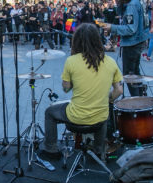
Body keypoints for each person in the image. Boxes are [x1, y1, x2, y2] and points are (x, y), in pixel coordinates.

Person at [39, 23, 123, 159]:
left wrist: (72, 81)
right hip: (99, 119)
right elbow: (119, 90)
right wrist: (108, 98)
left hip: (76, 117)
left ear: (76, 41)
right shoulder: (110, 61)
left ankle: (51, 150)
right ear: (97, 39)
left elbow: (66, 89)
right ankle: (98, 149)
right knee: (103, 112)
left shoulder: (71, 61)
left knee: (49, 112)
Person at [101, 0, 146, 96]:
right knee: (135, 74)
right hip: (138, 42)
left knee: (129, 76)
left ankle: (136, 101)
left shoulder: (132, 5)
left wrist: (112, 28)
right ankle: (140, 98)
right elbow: (122, 14)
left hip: (132, 44)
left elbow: (131, 28)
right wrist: (119, 3)